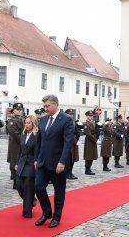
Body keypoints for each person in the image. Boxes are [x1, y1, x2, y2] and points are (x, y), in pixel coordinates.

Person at [34, 94, 73, 228]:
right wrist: (36, 158)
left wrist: (62, 161)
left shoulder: (66, 120)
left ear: (55, 104)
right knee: (38, 187)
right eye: (44, 106)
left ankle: (57, 216)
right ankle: (47, 212)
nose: (45, 109)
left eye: (47, 106)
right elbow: (39, 140)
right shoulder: (43, 119)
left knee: (59, 191)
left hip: (57, 163)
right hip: (43, 161)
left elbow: (68, 143)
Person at [15, 115, 39, 218]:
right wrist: (16, 163)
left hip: (31, 164)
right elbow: (20, 151)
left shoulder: (37, 135)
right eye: (26, 122)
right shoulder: (23, 135)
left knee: (28, 188)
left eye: (29, 123)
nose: (27, 124)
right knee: (19, 186)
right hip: (21, 163)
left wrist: (37, 161)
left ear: (33, 123)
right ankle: (32, 200)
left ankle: (27, 211)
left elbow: (39, 149)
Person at [7, 103, 24, 182]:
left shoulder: (23, 119)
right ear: (13, 110)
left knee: (20, 159)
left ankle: (18, 176)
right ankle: (15, 177)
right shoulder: (12, 120)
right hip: (15, 143)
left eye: (20, 109)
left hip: (21, 142)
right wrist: (23, 141)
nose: (19, 111)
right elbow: (14, 133)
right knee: (15, 159)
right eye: (17, 109)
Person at [64, 109, 80, 179]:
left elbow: (77, 131)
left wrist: (77, 138)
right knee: (68, 159)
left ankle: (70, 173)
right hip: (68, 143)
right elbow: (68, 134)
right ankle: (67, 174)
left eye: (72, 114)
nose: (71, 115)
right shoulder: (65, 122)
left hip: (74, 143)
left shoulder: (73, 122)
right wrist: (75, 140)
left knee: (73, 159)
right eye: (69, 114)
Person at [83, 110, 98, 175]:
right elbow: (88, 134)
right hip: (89, 141)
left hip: (93, 141)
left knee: (92, 155)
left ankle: (89, 168)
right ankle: (87, 169)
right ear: (86, 116)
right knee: (89, 155)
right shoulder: (86, 124)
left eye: (91, 116)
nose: (91, 117)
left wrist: (95, 136)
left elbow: (95, 131)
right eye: (89, 116)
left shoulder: (93, 123)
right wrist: (95, 139)